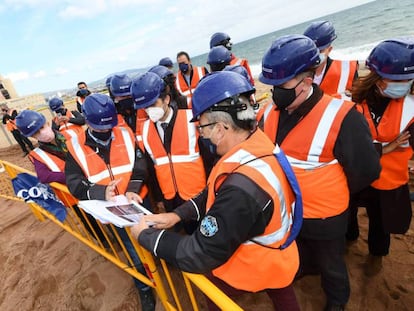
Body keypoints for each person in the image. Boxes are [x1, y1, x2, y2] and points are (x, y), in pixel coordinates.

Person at [131, 71, 302, 311]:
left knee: (214, 291)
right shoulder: (254, 145)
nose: (202, 135)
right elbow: (213, 190)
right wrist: (176, 216)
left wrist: (146, 237)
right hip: (276, 249)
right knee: (283, 294)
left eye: (202, 129)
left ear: (220, 128)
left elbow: (200, 252)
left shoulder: (241, 187)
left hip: (255, 258)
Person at [258, 34, 381, 310]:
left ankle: (337, 301)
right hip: (289, 212)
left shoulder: (343, 116)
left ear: (307, 79)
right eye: (273, 85)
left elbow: (366, 171)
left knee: (332, 266)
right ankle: (306, 268)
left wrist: (332, 189)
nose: (276, 91)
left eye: (282, 84)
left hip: (326, 215)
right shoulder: (268, 113)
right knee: (301, 251)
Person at [64, 93, 155, 311]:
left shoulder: (124, 133)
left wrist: (133, 189)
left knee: (152, 236)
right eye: (100, 127)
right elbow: (74, 184)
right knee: (132, 251)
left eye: (108, 126)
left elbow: (141, 165)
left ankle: (160, 266)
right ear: (87, 121)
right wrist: (100, 192)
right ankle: (144, 289)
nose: (106, 131)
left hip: (140, 202)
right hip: (113, 213)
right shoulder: (75, 147)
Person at [345, 37, 414, 275]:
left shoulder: (411, 106)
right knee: (348, 211)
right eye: (399, 79)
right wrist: (389, 146)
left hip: (388, 180)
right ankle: (349, 238)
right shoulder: (354, 100)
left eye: (409, 79)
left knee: (380, 223)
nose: (404, 84)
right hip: (358, 175)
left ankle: (376, 256)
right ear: (377, 77)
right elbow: (349, 143)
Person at [131, 72, 214, 231]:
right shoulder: (146, 129)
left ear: (166, 99)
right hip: (170, 197)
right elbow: (151, 166)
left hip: (197, 196)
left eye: (153, 104)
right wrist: (159, 199)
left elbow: (210, 159)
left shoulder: (191, 120)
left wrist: (212, 191)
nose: (149, 110)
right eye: (145, 107)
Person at [15, 109, 108, 243]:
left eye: (42, 128)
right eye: (36, 133)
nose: (42, 133)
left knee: (105, 211)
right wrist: (72, 175)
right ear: (32, 137)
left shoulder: (71, 135)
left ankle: (116, 236)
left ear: (47, 123)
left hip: (95, 183)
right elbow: (44, 176)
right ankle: (104, 241)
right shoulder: (37, 155)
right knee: (88, 220)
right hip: (72, 193)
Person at [303, 21, 358, 99]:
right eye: (312, 51)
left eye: (320, 51)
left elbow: (360, 102)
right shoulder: (297, 74)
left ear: (329, 50)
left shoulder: (348, 71)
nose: (315, 55)